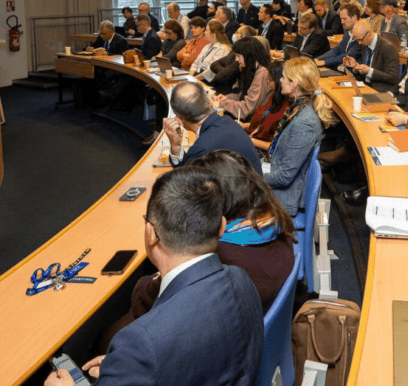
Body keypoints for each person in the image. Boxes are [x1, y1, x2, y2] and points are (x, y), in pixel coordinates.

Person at [37, 167, 262, 386]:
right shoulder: (242, 281)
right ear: (221, 226)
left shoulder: (141, 343)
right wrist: (127, 375)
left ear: (150, 234)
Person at [99, 151, 295, 352]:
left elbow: (146, 301)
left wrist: (160, 272)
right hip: (246, 333)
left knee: (108, 336)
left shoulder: (218, 255)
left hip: (200, 345)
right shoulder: (276, 224)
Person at [262, 58, 334, 217]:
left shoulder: (305, 123)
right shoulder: (297, 107)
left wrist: (252, 175)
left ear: (295, 83)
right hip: (275, 172)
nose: (280, 80)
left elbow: (284, 177)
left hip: (283, 199)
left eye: (283, 77)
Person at [164, 81, 261, 170]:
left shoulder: (201, 150)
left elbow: (183, 181)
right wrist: (176, 148)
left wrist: (175, 146)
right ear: (210, 104)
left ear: (180, 120)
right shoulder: (228, 121)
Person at [216, 38, 272, 120]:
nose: (236, 59)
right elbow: (243, 95)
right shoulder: (251, 69)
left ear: (249, 55)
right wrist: (227, 98)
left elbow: (246, 109)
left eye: (238, 56)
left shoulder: (262, 73)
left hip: (250, 122)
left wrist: (222, 103)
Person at [344, 20, 400, 96]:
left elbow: (393, 78)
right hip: (365, 86)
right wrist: (356, 65)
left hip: (380, 90)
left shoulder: (388, 48)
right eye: (357, 40)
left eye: (360, 39)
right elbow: (366, 67)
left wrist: (369, 71)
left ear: (369, 33)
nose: (360, 43)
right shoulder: (365, 43)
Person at [315, 5, 364, 69]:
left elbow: (348, 55)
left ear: (354, 17)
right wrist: (317, 59)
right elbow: (336, 50)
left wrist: (325, 62)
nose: (342, 22)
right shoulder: (347, 34)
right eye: (341, 19)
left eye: (344, 19)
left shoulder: (362, 36)